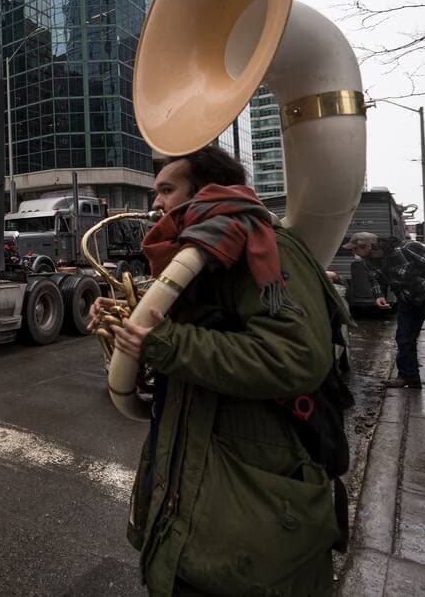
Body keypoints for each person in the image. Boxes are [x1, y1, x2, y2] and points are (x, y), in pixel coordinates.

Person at [87, 146, 350, 595]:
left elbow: (295, 357)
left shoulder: (265, 245)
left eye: (167, 189)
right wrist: (127, 321)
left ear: (205, 190)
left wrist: (162, 342)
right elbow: (192, 343)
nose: (156, 202)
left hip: (249, 515)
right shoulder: (201, 250)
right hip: (202, 491)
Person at [344, 231, 425, 397]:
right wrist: (379, 295)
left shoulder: (407, 249)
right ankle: (408, 377)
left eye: (356, 248)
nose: (353, 252)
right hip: (408, 299)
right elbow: (374, 278)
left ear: (368, 246)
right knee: (404, 338)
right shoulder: (368, 261)